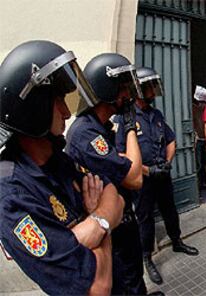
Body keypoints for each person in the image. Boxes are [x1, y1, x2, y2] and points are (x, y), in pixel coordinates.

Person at [0, 40, 124, 295]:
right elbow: (98, 287)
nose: (67, 113)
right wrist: (100, 220)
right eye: (58, 100)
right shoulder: (12, 195)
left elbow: (114, 195)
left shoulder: (58, 160)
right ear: (33, 108)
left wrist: (89, 229)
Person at [65, 54, 163, 296]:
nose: (128, 95)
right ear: (106, 89)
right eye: (123, 88)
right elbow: (134, 178)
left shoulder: (100, 127)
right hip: (111, 227)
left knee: (134, 275)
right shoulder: (86, 133)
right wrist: (131, 128)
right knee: (125, 283)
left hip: (123, 218)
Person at [115, 67, 199, 285]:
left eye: (154, 86)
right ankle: (147, 258)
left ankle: (177, 240)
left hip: (161, 174)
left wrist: (168, 163)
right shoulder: (125, 117)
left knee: (170, 210)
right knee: (145, 219)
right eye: (150, 87)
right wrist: (146, 170)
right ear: (139, 89)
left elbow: (170, 140)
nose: (154, 91)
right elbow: (120, 153)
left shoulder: (156, 115)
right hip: (141, 179)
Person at [192, 91, 206, 189]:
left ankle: (202, 183)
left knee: (203, 163)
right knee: (199, 164)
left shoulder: (203, 107)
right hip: (198, 139)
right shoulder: (191, 108)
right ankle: (197, 186)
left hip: (205, 138)